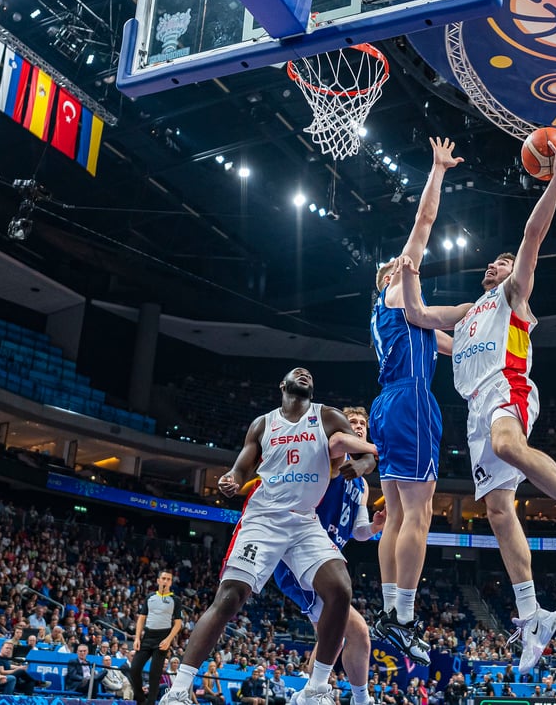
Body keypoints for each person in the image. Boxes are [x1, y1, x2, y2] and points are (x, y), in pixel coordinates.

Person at [398, 137, 556, 674]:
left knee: (510, 444)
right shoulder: (465, 312)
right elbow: (415, 317)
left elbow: (531, 235)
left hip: (510, 388)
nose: (497, 263)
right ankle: (532, 614)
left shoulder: (515, 297)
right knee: (499, 512)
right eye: (495, 260)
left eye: (505, 262)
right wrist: (407, 276)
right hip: (474, 409)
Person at [159, 368, 377, 705]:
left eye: (309, 375)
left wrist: (361, 467)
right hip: (264, 517)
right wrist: (231, 478)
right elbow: (242, 466)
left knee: (340, 589)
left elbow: (363, 455)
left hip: (304, 522)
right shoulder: (263, 424)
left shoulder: (328, 416)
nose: (304, 373)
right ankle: (177, 691)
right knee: (231, 597)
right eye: (297, 373)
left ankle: (316, 688)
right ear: (283, 385)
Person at [368, 137, 461, 662]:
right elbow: (423, 223)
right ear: (389, 278)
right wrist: (437, 170)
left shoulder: (408, 320)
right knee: (418, 514)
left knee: (401, 514)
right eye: (401, 267)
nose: (411, 266)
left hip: (389, 404)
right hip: (409, 403)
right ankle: (404, 617)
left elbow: (453, 346)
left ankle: (389, 612)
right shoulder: (398, 291)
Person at [273, 406, 384, 705]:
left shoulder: (361, 484)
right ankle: (360, 700)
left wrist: (374, 526)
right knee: (357, 632)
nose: (359, 426)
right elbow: (338, 441)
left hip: (327, 563)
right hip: (301, 557)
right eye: (353, 422)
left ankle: (309, 695)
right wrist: (376, 451)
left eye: (363, 423)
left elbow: (358, 531)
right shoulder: (331, 455)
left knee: (330, 640)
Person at [130, 569, 184, 705]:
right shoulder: (150, 597)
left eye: (168, 579)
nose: (165, 581)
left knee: (155, 674)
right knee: (134, 668)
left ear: (171, 582)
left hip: (163, 637)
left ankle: (151, 702)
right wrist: (137, 638)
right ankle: (141, 699)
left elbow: (178, 623)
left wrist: (168, 639)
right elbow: (141, 619)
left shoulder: (175, 600)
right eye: (163, 578)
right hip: (147, 636)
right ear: (158, 580)